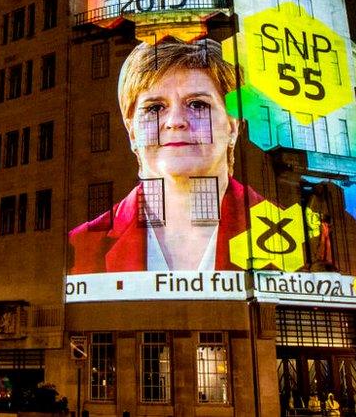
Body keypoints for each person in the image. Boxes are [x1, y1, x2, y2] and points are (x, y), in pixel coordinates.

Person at [68, 38, 260, 273]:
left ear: (232, 125)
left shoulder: (296, 236)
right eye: (155, 108)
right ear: (132, 133)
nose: (175, 122)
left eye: (198, 105)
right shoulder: (80, 246)